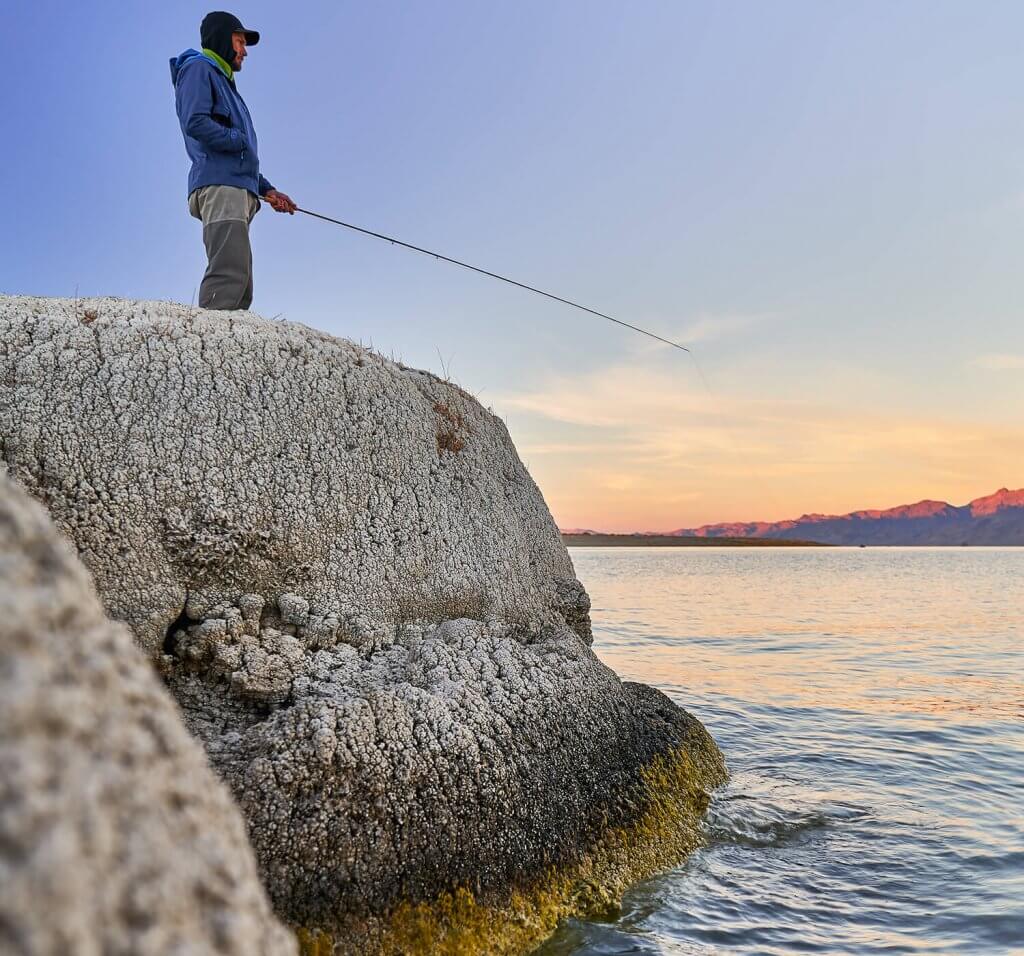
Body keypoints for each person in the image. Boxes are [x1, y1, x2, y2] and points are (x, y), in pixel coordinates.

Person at [170, 11, 296, 310]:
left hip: (235, 188)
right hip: (220, 187)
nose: (245, 50)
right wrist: (238, 139)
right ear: (222, 39)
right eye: (239, 41)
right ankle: (209, 347)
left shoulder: (224, 82)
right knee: (229, 277)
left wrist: (268, 190)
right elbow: (195, 121)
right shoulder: (199, 68)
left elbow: (242, 157)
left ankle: (230, 349)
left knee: (241, 284)